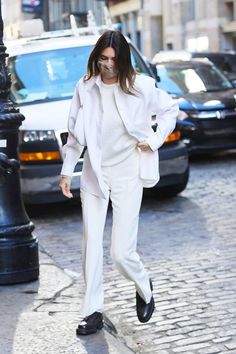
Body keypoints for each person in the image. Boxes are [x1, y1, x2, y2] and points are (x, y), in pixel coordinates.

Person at [59, 30, 179, 336]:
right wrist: (66, 169)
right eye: (103, 58)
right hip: (94, 173)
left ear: (122, 60)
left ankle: (143, 285)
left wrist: (152, 141)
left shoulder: (141, 86)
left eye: (113, 59)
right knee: (91, 246)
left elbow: (169, 110)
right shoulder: (85, 87)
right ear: (96, 57)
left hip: (128, 172)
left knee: (120, 252)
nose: (108, 65)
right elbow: (74, 132)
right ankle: (92, 312)